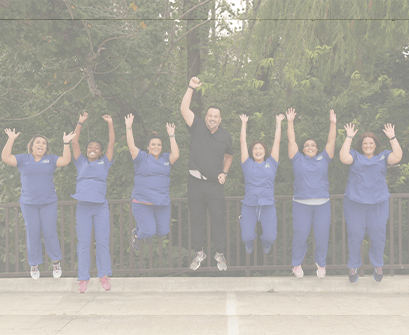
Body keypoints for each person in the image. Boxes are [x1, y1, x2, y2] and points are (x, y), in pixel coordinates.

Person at [1, 128, 76, 280]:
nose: (41, 145)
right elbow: (6, 158)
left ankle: (56, 262)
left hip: (48, 202)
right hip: (28, 203)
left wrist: (66, 143)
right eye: (38, 142)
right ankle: (34, 264)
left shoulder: (51, 159)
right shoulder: (23, 159)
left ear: (46, 148)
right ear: (31, 146)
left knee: (49, 232)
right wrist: (11, 139)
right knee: (33, 233)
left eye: (44, 143)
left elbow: (66, 160)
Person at [180, 76, 234, 272]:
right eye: (210, 115)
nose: (212, 119)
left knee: (218, 219)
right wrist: (191, 87)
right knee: (196, 219)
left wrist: (225, 173)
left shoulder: (225, 136)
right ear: (207, 116)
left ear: (220, 119)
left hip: (214, 185)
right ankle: (198, 252)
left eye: (216, 117)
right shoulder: (197, 125)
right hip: (195, 182)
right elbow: (184, 109)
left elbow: (229, 156)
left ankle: (220, 253)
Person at [340, 122, 402, 283]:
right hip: (355, 203)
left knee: (378, 234)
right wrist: (349, 137)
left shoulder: (383, 156)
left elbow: (397, 157)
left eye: (371, 143)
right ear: (361, 145)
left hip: (378, 203)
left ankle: (378, 265)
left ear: (376, 145)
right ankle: (354, 266)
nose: (368, 145)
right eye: (365, 143)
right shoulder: (355, 155)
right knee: (355, 235)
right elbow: (343, 158)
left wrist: (393, 137)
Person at [287, 108, 337, 279]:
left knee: (322, 235)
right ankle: (296, 265)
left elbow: (331, 142)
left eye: (313, 145)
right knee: (300, 234)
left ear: (317, 149)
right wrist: (290, 121)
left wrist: (333, 123)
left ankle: (321, 265)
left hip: (322, 204)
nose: (310, 147)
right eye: (307, 145)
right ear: (302, 149)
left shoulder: (324, 158)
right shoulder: (297, 159)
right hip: (301, 204)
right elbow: (291, 140)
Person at [71, 112, 115, 293]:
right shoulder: (80, 161)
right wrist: (80, 122)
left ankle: (104, 275)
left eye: (96, 147)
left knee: (103, 241)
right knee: (83, 243)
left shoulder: (105, 163)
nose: (93, 148)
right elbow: (74, 142)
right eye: (90, 146)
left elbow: (112, 143)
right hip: (83, 206)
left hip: (100, 207)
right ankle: (83, 279)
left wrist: (110, 124)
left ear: (100, 151)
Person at [125, 114, 179, 250]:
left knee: (162, 232)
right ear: (148, 147)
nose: (156, 147)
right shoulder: (141, 157)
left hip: (162, 202)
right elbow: (131, 147)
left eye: (159, 145)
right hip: (142, 201)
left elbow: (176, 155)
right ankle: (137, 234)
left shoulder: (166, 158)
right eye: (153, 144)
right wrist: (128, 127)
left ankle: (144, 229)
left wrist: (172, 135)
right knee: (149, 231)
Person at [239, 113, 285, 255]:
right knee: (246, 235)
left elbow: (277, 142)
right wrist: (244, 123)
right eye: (255, 149)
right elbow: (242, 142)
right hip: (249, 204)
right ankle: (249, 241)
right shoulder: (247, 164)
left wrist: (278, 122)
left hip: (268, 205)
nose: (258, 150)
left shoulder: (271, 163)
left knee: (271, 236)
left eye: (261, 148)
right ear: (252, 152)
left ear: (265, 151)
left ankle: (265, 242)